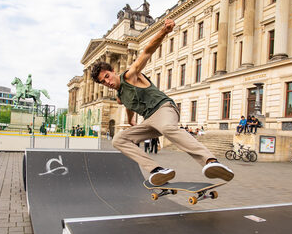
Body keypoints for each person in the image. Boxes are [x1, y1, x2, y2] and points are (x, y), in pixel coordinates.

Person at [91, 18, 233, 186]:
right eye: (103, 82)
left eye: (107, 76)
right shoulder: (120, 96)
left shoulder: (131, 74)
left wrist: (164, 32)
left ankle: (210, 161)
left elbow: (147, 52)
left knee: (166, 128)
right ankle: (157, 170)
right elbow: (129, 105)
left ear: (113, 71)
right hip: (150, 121)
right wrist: (131, 120)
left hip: (164, 108)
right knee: (118, 140)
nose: (107, 82)